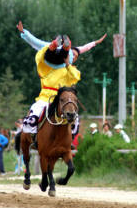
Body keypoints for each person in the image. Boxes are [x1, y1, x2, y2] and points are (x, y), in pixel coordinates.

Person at [17, 21, 86, 150]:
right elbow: (35, 42)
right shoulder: (46, 69)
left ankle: (69, 139)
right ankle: (33, 136)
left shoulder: (67, 69)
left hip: (61, 99)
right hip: (44, 98)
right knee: (34, 112)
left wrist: (67, 64)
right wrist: (24, 33)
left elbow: (76, 77)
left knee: (74, 117)